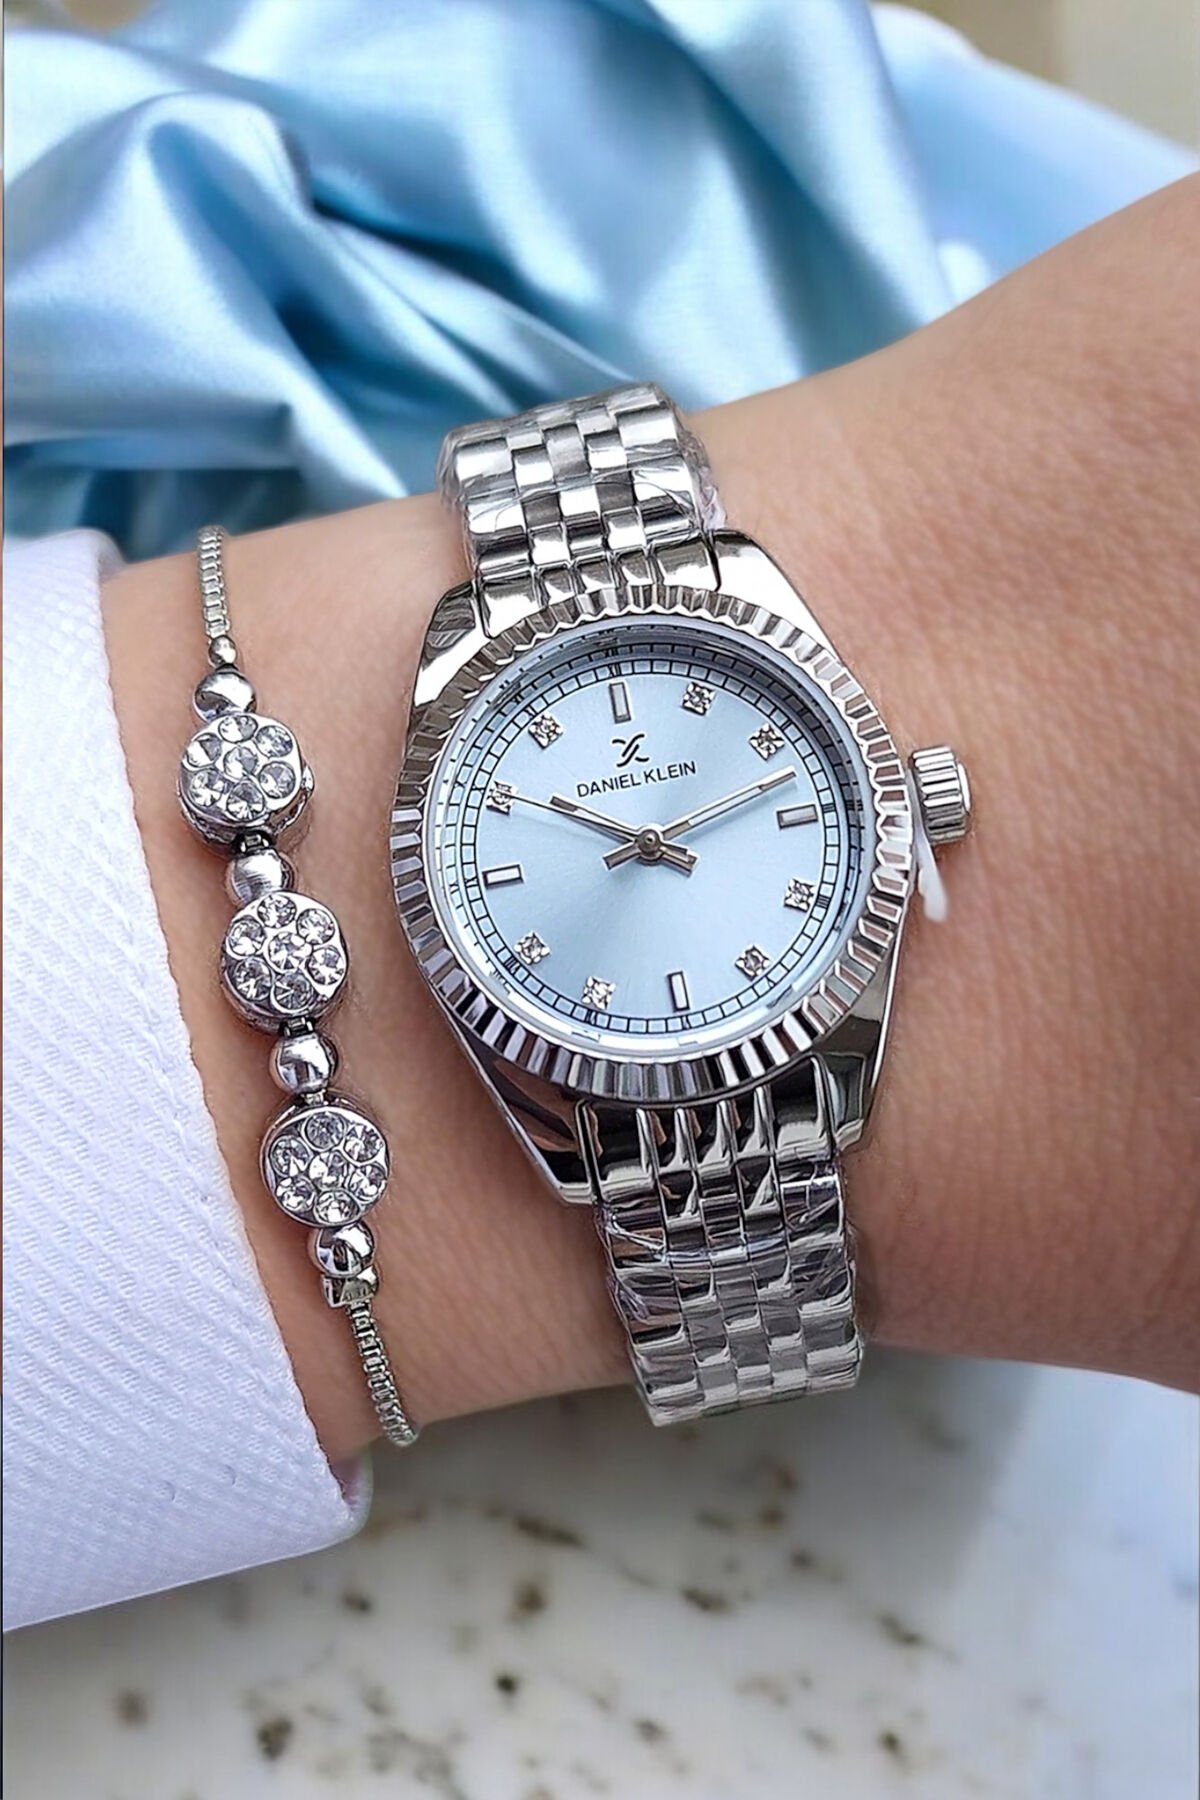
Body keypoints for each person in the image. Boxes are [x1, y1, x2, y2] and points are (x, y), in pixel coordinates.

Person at [5, 6, 1198, 1632]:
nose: (651, 843)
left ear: (901, 798)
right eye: (635, 835)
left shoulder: (814, 868)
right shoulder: (560, 776)